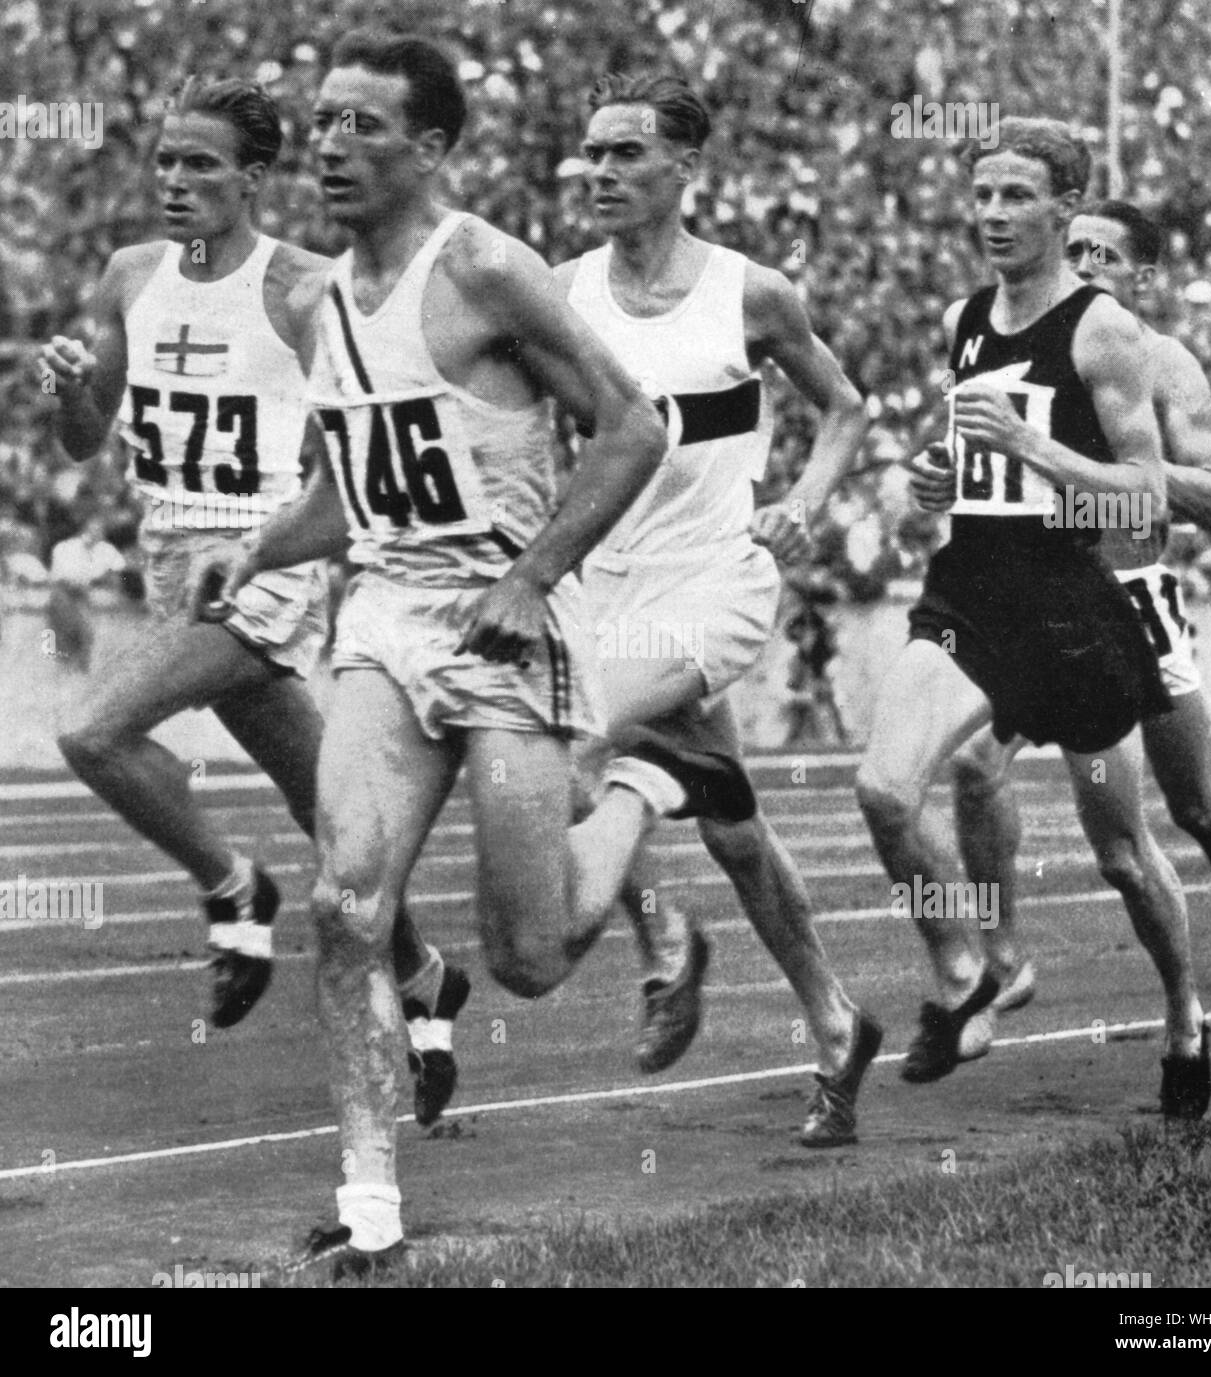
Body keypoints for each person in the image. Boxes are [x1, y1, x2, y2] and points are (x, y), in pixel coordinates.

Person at [205, 31, 745, 1278]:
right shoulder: (311, 298)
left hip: (505, 627)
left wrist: (530, 574)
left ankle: (640, 794)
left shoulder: (488, 271)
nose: (332, 147)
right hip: (389, 619)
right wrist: (259, 549)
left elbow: (631, 427)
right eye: (324, 123)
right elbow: (354, 495)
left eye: (364, 127)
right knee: (347, 904)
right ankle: (371, 1203)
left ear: (434, 147)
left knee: (530, 959)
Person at [38, 77, 467, 1124]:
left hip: (269, 566)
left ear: (255, 179)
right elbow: (86, 439)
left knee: (93, 732)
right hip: (175, 560)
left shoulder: (303, 290)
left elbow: (363, 443)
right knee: (330, 810)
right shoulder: (130, 274)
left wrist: (328, 550)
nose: (176, 182)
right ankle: (424, 981)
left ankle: (236, 892)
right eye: (166, 162)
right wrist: (69, 390)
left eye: (202, 165)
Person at [858, 118, 1210, 1116]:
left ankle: (1184, 1018)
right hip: (974, 584)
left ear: (1064, 207)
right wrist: (941, 474)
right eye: (982, 196)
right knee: (886, 788)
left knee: (1122, 855)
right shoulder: (968, 316)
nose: (994, 215)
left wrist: (1030, 446)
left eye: (1016, 196)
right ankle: (976, 967)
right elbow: (979, 457)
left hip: (1068, 603)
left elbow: (1143, 493)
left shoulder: (1103, 329)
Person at [557, 72, 879, 1148]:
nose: (597, 172)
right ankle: (835, 1025)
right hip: (604, 588)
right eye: (590, 153)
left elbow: (843, 407)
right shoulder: (558, 298)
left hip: (719, 578)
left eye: (623, 154)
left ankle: (661, 943)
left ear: (684, 169)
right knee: (737, 830)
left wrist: (804, 499)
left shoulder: (752, 294)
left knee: (577, 739)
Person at [940, 202, 1211, 1063]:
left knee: (1196, 809)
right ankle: (1002, 957)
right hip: (1041, 596)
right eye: (1079, 246)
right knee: (977, 764)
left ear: (1143, 278)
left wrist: (1099, 448)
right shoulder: (1022, 337)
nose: (1086, 262)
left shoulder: (1161, 362)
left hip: (1134, 597)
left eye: (1107, 253)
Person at [47, 514, 126, 671]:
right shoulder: (65, 548)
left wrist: (105, 578)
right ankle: (67, 669)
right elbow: (60, 577)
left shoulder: (107, 549)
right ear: (82, 529)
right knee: (67, 638)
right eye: (92, 528)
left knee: (87, 636)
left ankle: (82, 670)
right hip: (64, 596)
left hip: (89, 598)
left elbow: (121, 571)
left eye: (99, 529)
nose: (95, 532)